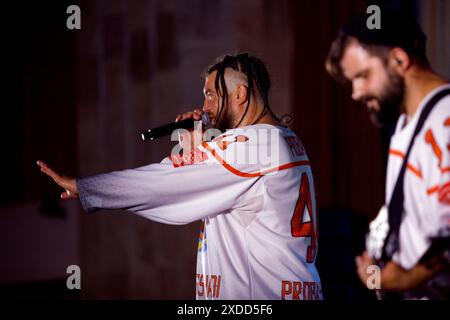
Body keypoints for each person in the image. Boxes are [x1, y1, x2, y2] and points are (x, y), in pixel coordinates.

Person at [37, 53, 322, 300]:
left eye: (211, 94)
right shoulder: (283, 139)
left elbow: (163, 184)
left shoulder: (252, 146)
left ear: (240, 95)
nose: (206, 106)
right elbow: (213, 190)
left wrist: (86, 187)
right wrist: (198, 149)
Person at [326, 11, 450, 299]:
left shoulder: (444, 121)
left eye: (363, 76)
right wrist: (376, 270)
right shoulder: (406, 125)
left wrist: (404, 278)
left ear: (399, 60)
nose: (355, 93)